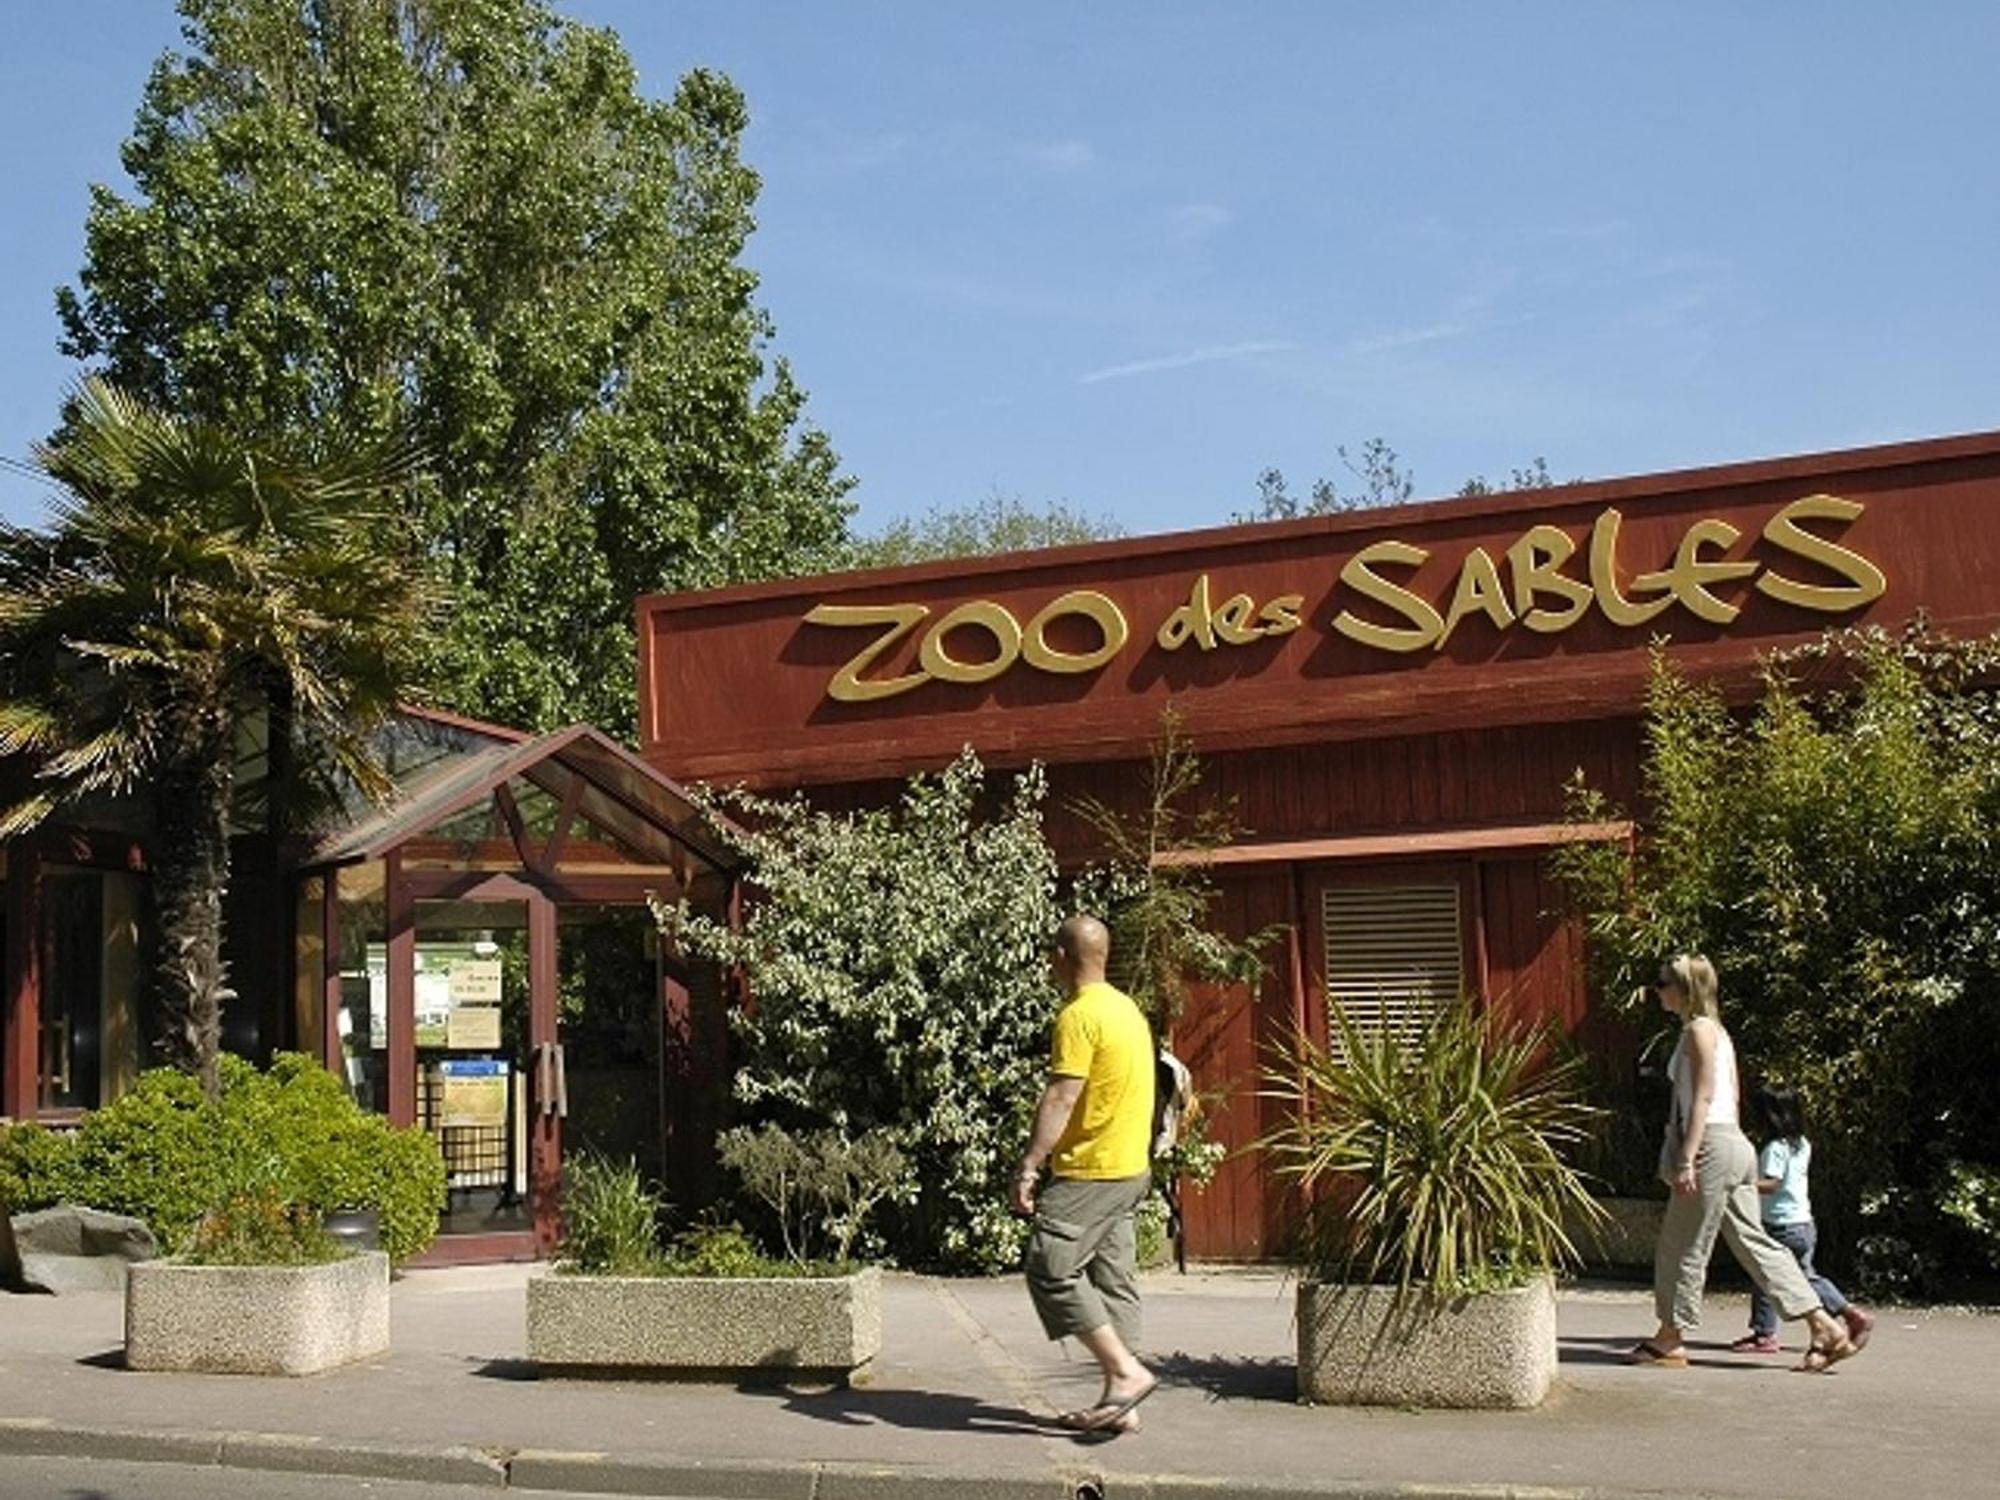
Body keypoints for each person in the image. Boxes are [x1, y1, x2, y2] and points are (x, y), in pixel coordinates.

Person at [1626, 954, 1862, 1373]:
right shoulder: (1718, 1033)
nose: (1657, 990)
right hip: (1733, 1143)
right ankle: (1825, 1326)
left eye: (1663, 983)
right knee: (1757, 1244)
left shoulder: (1698, 1031)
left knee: (1681, 1245)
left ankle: (1669, 1338)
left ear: (1685, 989)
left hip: (1710, 1144)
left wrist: (1686, 1156)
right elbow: (1730, 1098)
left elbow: (1701, 1097)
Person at [1011, 914, 1159, 1435]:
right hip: (1130, 1168)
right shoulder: (1126, 1010)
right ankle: (1123, 1401)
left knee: (1050, 1268)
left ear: (1060, 957)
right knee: (1114, 1281)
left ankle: (1125, 1372)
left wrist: (1030, 1164)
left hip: (1090, 1173)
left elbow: (1062, 1096)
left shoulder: (1077, 1017)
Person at [1731, 1082, 1874, 1355]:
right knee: (1790, 1276)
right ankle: (1767, 1331)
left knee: (1777, 1275)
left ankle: (1846, 1313)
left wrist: (1743, 1184)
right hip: (1803, 1222)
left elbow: (1772, 1183)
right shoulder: (1801, 1144)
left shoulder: (1775, 1147)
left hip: (1781, 1224)